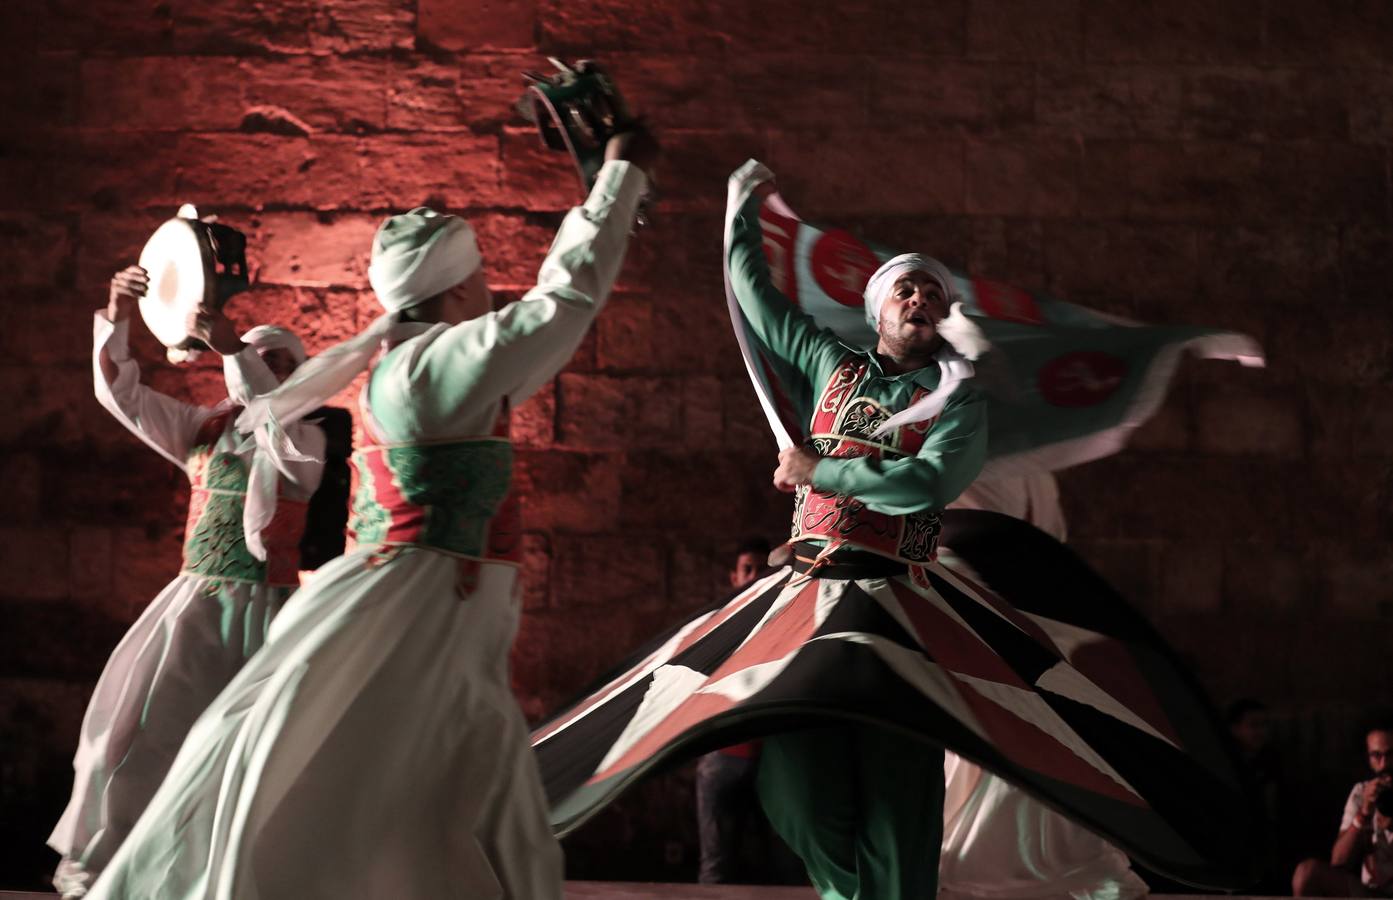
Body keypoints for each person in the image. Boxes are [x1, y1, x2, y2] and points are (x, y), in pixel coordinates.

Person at [86, 125, 658, 900]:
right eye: (484, 276)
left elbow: (282, 420)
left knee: (410, 797)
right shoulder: (427, 368)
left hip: (424, 616)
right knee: (377, 795)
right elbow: (562, 302)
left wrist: (609, 190)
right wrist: (615, 179)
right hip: (409, 614)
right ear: (457, 288)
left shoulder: (402, 373)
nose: (491, 292)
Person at [49, 267, 325, 899]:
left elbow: (282, 439)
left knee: (256, 756)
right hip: (194, 605)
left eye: (284, 364)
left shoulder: (307, 435)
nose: (273, 372)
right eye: (264, 359)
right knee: (124, 738)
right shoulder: (201, 429)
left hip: (269, 616)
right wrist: (117, 312)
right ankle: (103, 870)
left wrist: (232, 348)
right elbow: (122, 393)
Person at [940, 472, 1148, 900]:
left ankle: (999, 865)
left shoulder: (974, 460)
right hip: (1021, 627)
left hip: (990, 626)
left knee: (1003, 744)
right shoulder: (1031, 469)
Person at [696, 537, 769, 884]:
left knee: (783, 866)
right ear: (734, 576)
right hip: (723, 756)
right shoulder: (717, 624)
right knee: (717, 866)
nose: (754, 575)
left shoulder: (783, 623)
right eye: (747, 569)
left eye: (761, 568)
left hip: (770, 756)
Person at [1293, 722, 1393, 896]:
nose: (1384, 764)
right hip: (1372, 892)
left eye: (1391, 754)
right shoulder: (1362, 792)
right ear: (1368, 758)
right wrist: (1364, 813)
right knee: (1307, 873)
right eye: (1376, 755)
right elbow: (1339, 861)